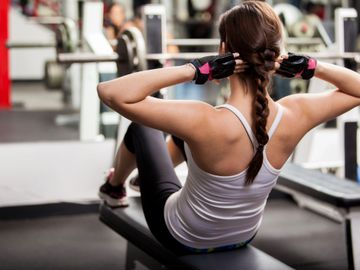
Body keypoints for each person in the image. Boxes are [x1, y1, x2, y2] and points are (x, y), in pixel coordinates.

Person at [97, 1, 360, 254]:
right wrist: (312, 67)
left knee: (144, 128)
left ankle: (114, 188)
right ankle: (147, 177)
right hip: (242, 236)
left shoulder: (203, 119)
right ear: (278, 53)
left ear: (223, 50)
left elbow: (110, 92)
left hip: (182, 236)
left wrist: (194, 70)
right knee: (183, 134)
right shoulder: (295, 113)